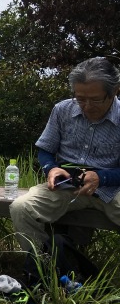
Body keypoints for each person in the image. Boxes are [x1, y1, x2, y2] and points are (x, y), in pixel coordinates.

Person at [10, 57, 120, 261]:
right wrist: (51, 168)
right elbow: (45, 149)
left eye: (95, 99)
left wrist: (101, 178)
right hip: (67, 185)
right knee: (21, 208)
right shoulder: (63, 110)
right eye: (80, 98)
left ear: (114, 91)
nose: (87, 106)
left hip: (111, 188)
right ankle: (43, 267)